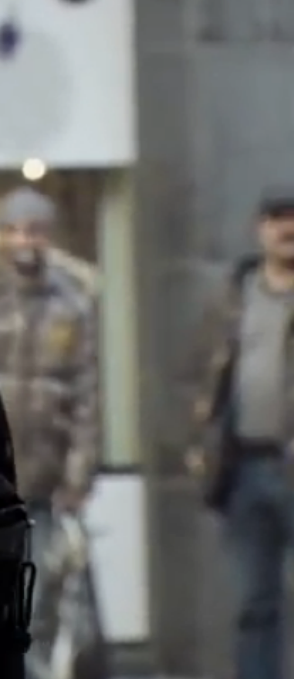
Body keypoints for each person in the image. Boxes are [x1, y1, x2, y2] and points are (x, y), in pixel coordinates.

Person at [0, 187, 101, 673]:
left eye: (33, 231)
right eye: (14, 231)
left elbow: (87, 395)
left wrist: (78, 474)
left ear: (48, 237)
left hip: (48, 483)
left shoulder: (72, 305)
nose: (24, 241)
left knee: (42, 599)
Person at [189, 186, 294, 679]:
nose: (287, 228)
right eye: (277, 218)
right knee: (255, 602)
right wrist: (199, 443)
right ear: (259, 228)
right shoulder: (232, 295)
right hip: (246, 467)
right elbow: (199, 374)